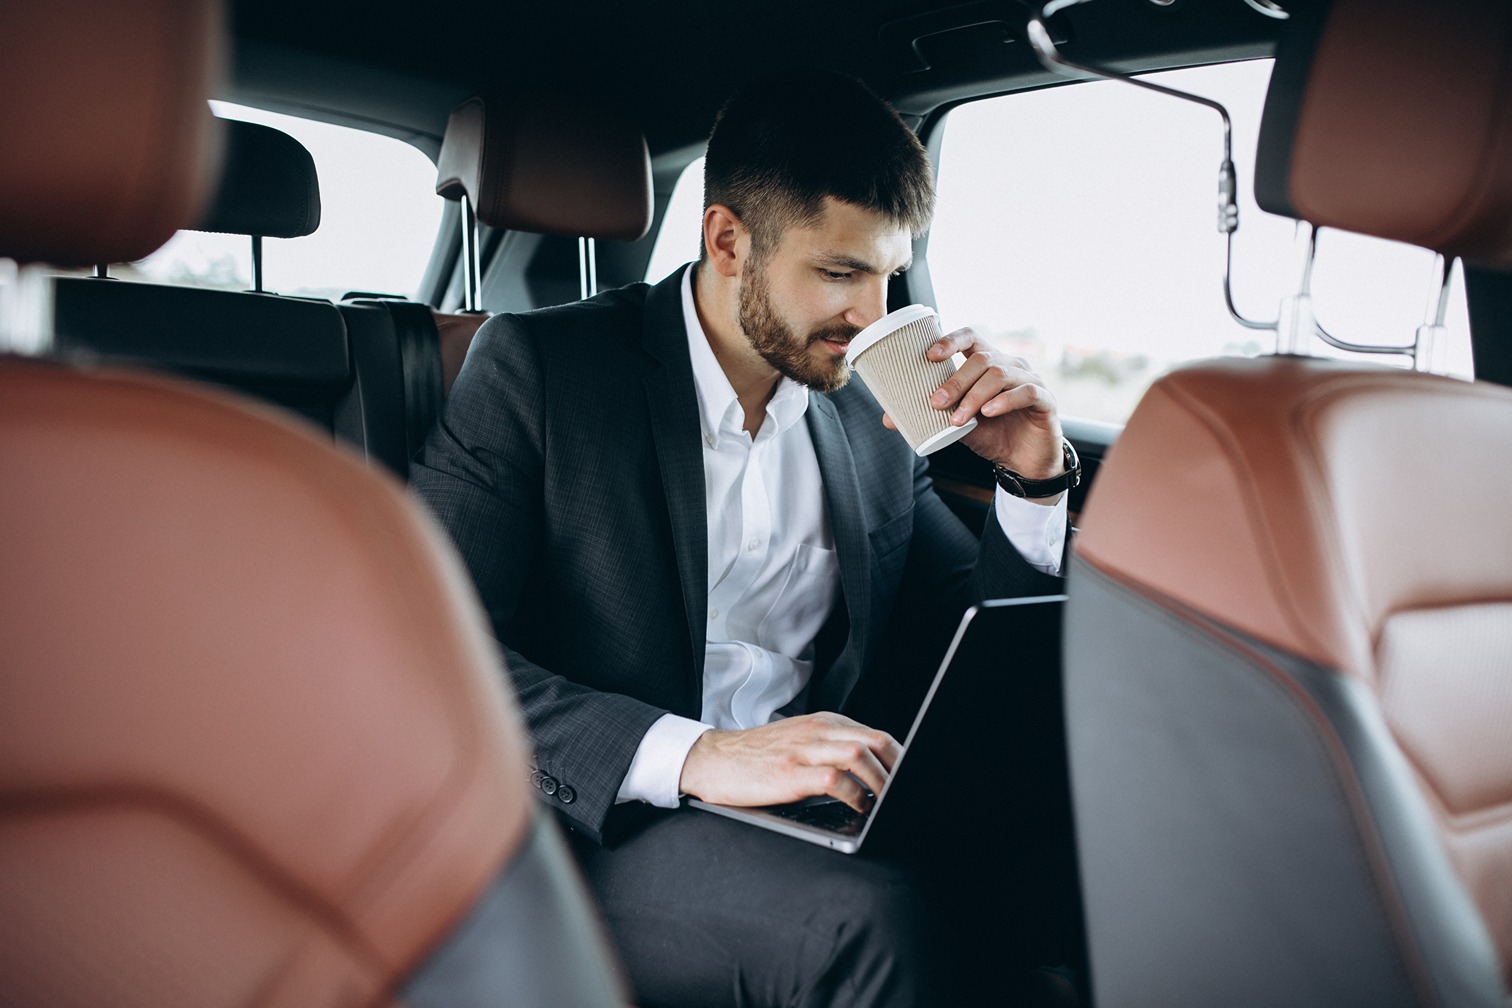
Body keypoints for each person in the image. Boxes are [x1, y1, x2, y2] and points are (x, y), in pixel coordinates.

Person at [412, 68, 1078, 1008]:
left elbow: (967, 641)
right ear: (728, 241)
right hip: (605, 820)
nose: (873, 314)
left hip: (821, 807)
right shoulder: (543, 371)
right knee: (868, 927)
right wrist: (699, 755)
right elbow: (428, 659)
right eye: (840, 273)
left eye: (888, 274)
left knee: (1082, 855)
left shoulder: (870, 418)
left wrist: (1031, 480)